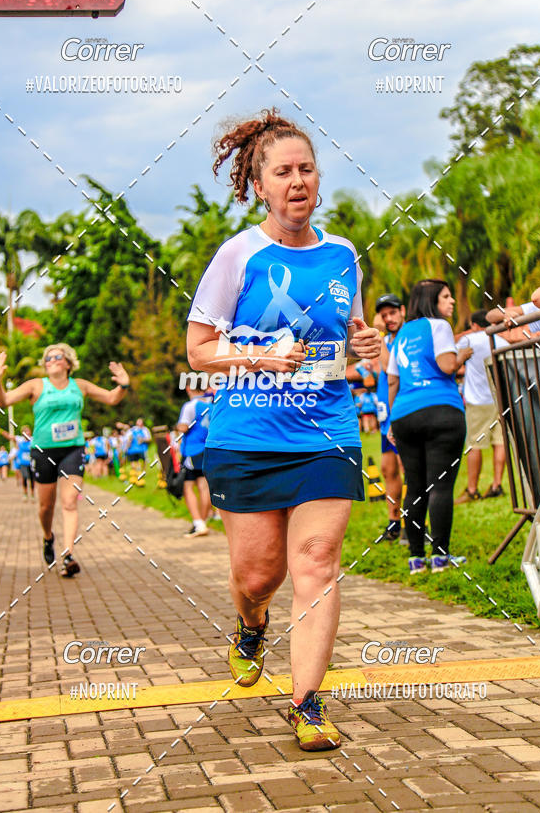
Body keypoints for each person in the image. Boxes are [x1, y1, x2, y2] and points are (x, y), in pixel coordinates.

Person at [186, 109, 381, 750]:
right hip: (245, 435)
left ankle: (307, 704)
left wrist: (367, 342)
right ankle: (249, 624)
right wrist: (258, 356)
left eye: (306, 168)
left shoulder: (343, 254)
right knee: (257, 575)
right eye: (282, 171)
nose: (297, 180)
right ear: (260, 185)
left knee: (317, 564)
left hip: (326, 430)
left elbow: (346, 339)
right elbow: (198, 351)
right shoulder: (238, 254)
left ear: (318, 179)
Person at [0, 344, 130, 577]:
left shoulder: (80, 386)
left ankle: (68, 555)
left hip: (72, 450)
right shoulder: (36, 385)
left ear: (68, 363)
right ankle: (48, 538)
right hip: (43, 451)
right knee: (46, 506)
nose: (52, 360)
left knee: (69, 502)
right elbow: (4, 401)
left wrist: (123, 384)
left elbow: (112, 398)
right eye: (48, 358)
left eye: (58, 357)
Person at [387, 279, 473, 574]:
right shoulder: (439, 326)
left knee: (415, 487)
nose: (451, 302)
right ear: (432, 302)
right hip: (441, 410)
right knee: (440, 486)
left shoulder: (400, 335)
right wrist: (464, 354)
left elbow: (393, 380)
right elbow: (448, 365)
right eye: (446, 297)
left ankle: (415, 558)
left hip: (404, 414)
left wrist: (390, 423)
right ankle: (439, 557)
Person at [454, 310, 508, 503]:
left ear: (474, 325)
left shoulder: (469, 340)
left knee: (474, 445)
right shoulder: (502, 341)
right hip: (500, 399)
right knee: (500, 442)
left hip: (478, 400)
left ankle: (472, 489)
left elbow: (453, 358)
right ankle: (496, 484)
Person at [375, 294, 406, 543]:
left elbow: (387, 367)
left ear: (402, 311)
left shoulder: (406, 339)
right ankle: (394, 521)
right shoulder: (385, 340)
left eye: (392, 313)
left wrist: (377, 335)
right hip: (385, 416)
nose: (388, 319)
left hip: (402, 413)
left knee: (407, 468)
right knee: (388, 469)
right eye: (384, 315)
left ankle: (414, 522)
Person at [177, 387, 213, 537]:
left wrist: (178, 427)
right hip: (208, 448)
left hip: (192, 449)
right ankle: (202, 523)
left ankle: (198, 523)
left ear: (189, 388)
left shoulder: (190, 405)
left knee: (188, 486)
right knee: (204, 486)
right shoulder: (212, 406)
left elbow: (184, 427)